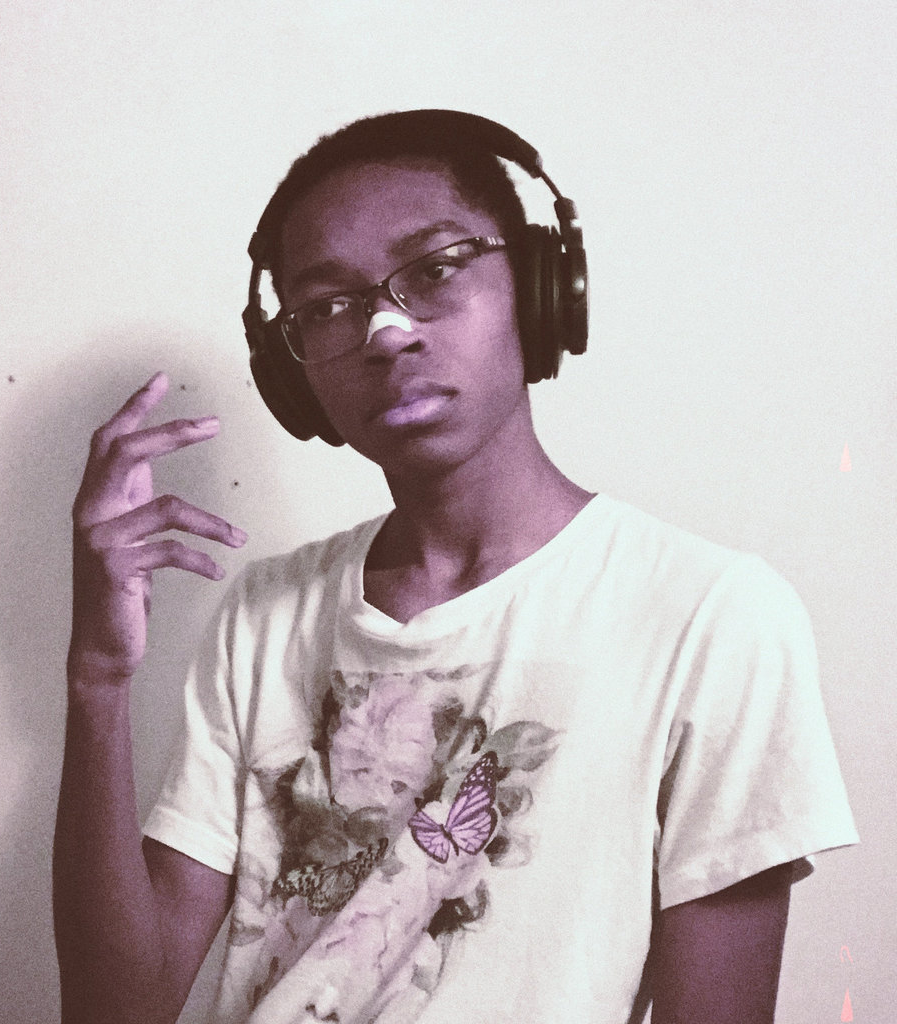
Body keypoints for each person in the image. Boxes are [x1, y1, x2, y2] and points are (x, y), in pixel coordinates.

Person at [53, 110, 858, 1024]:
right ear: (292, 374)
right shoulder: (266, 614)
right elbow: (114, 1011)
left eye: (435, 269)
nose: (384, 331)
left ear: (543, 288)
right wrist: (98, 677)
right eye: (328, 307)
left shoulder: (711, 616)